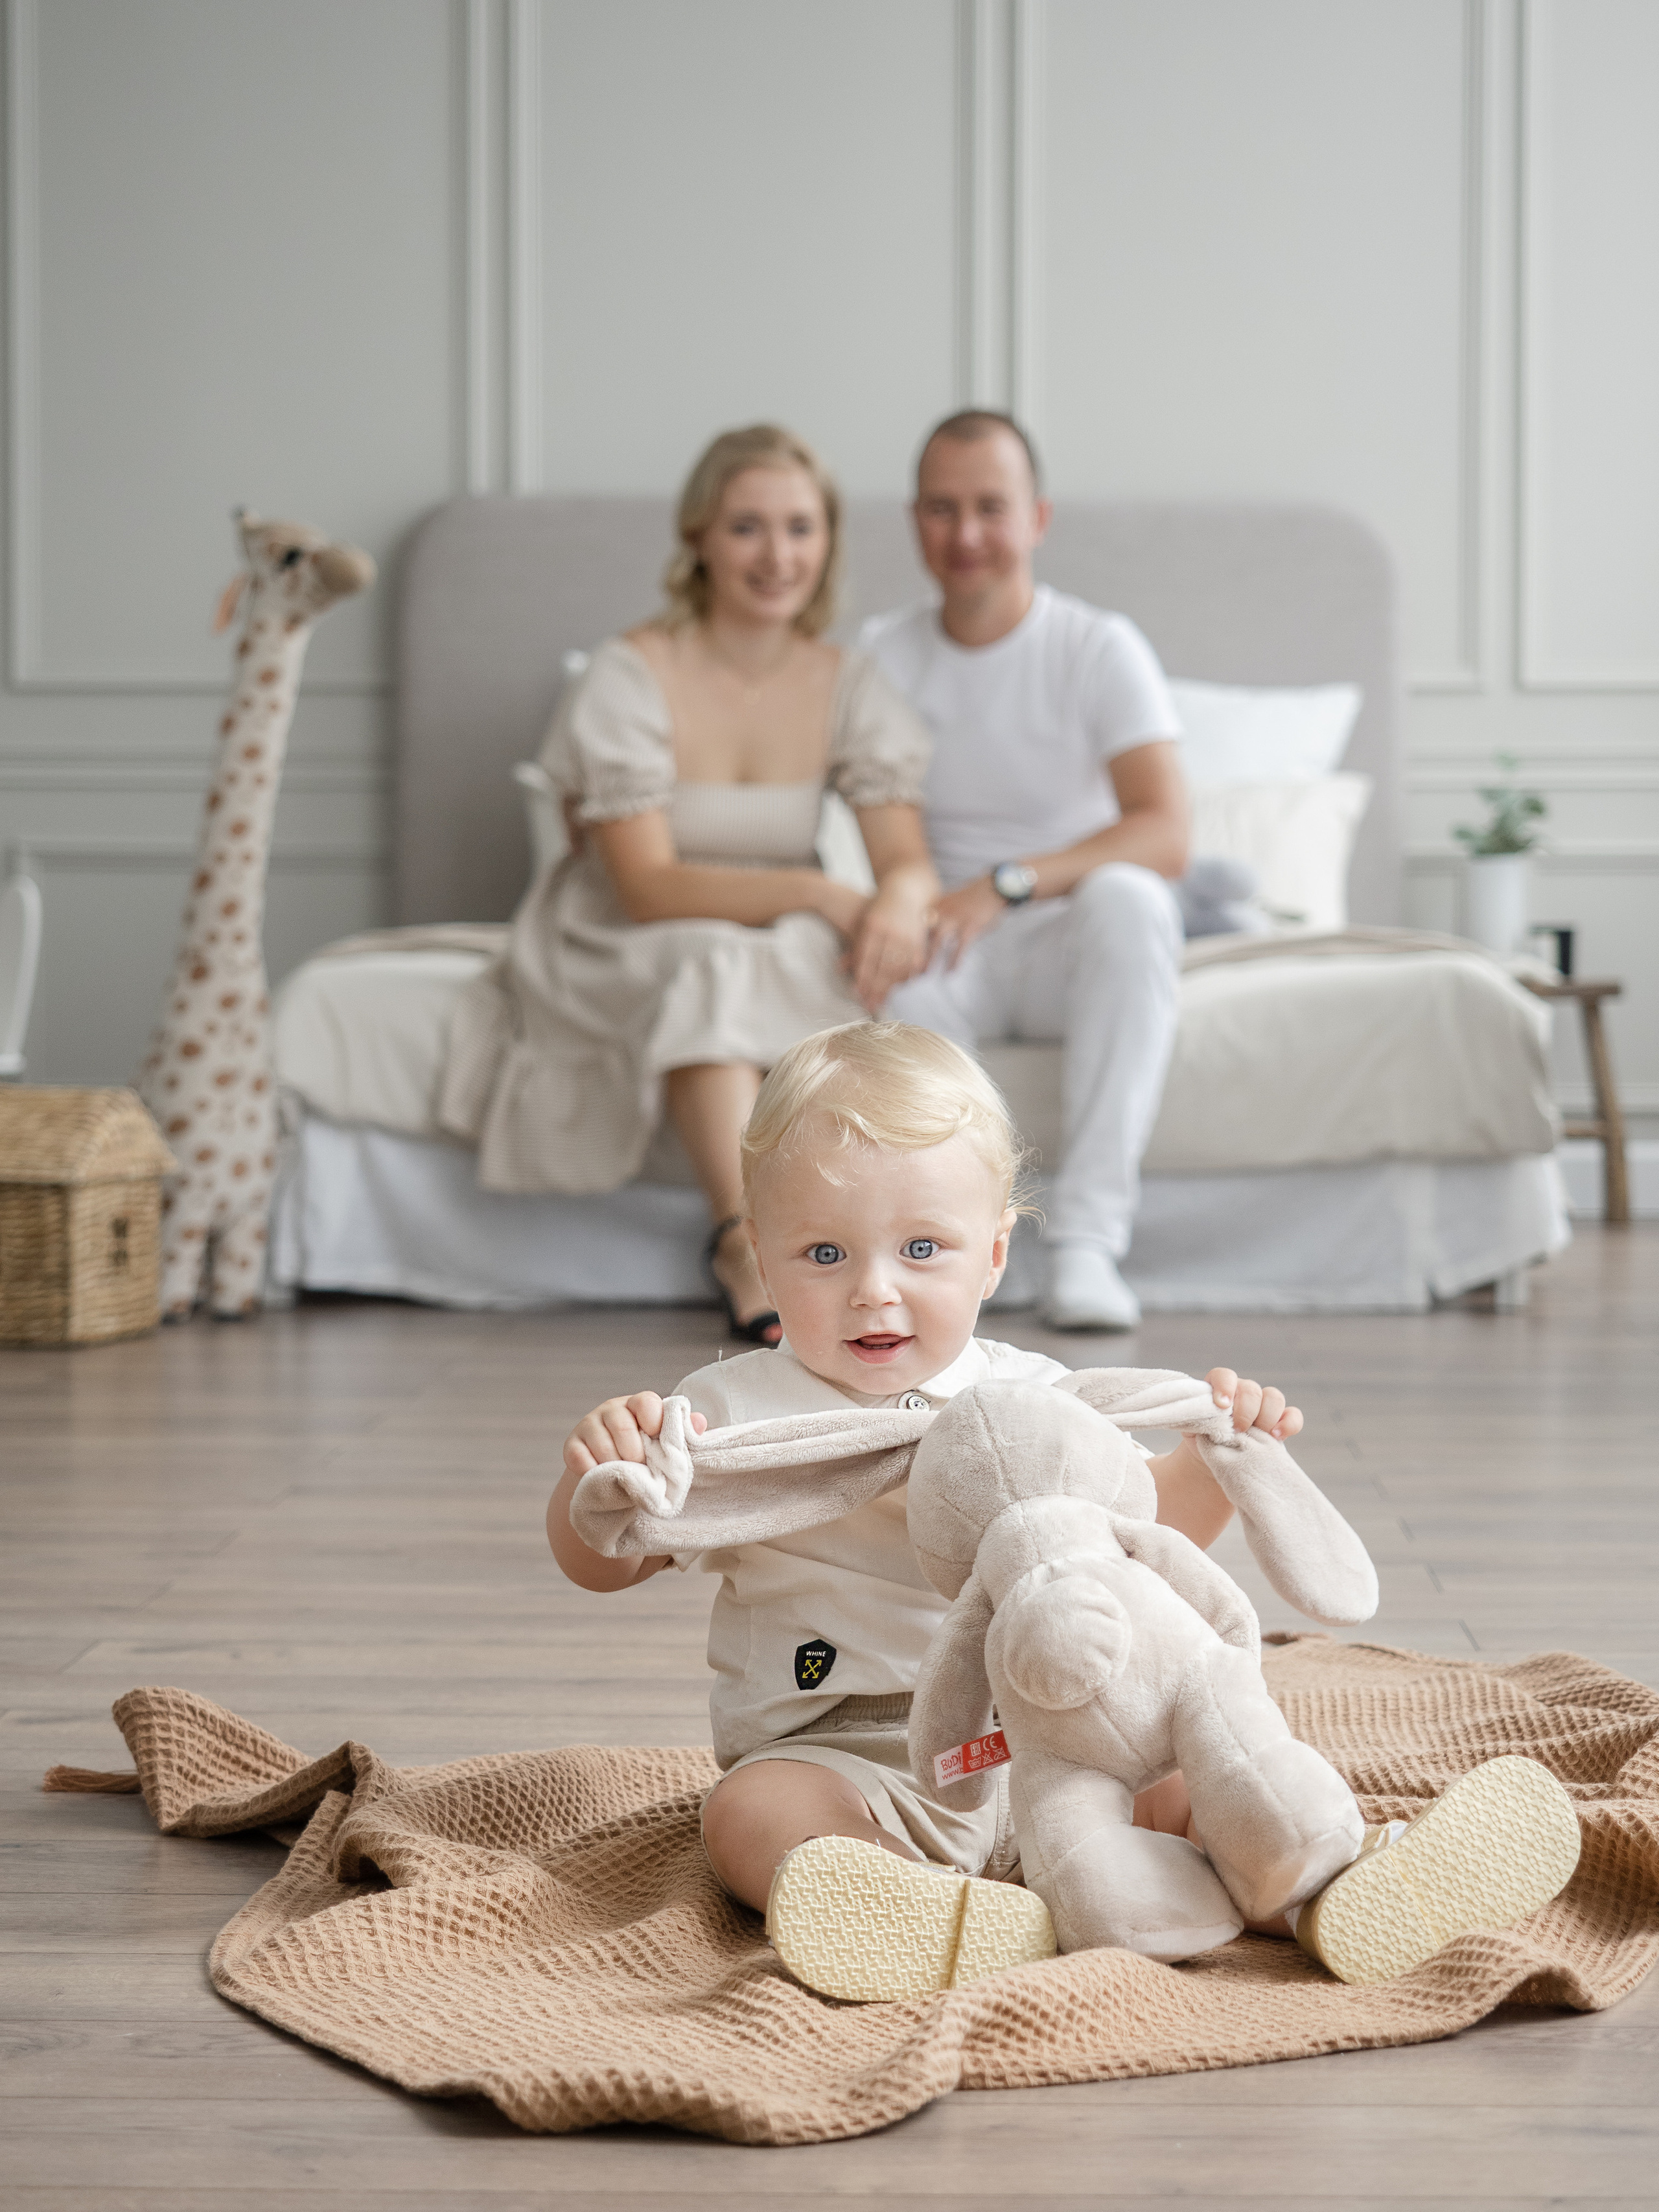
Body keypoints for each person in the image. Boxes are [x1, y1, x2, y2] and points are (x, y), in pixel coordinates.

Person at [548, 1023, 1581, 2001]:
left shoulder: (1032, 1401)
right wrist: (595, 1480)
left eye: (922, 1249)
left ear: (993, 1256)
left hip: (1052, 1735)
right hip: (846, 1757)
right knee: (749, 1816)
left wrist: (1217, 1462)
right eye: (825, 1255)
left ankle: (1346, 1891)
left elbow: (1140, 1531)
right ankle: (919, 1916)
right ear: (764, 1256)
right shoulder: (725, 1412)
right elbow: (608, 1561)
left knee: (1191, 1784)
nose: (874, 1292)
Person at [438, 425, 938, 1342]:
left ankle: (827, 1243)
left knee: (785, 962)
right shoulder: (630, 675)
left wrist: (902, 896)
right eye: (747, 527)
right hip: (618, 935)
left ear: (827, 541)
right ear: (700, 537)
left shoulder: (850, 684)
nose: (777, 555)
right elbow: (647, 888)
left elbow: (903, 855)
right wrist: (821, 892)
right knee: (717, 958)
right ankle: (744, 1242)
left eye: (800, 527)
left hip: (769, 929)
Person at [861, 410, 1189, 1332]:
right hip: (950, 948)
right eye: (941, 509)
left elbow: (1165, 832)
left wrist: (1008, 882)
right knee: (891, 969)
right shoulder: (882, 655)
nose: (966, 536)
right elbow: (886, 833)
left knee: (1134, 897)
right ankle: (956, 1251)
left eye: (990, 509)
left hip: (1063, 941)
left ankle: (1087, 1240)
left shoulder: (1097, 647)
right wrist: (911, 903)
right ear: (914, 519)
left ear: (1037, 517)